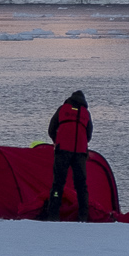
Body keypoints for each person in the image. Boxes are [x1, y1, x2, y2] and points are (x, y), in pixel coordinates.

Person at [44, 90, 94, 221]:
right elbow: (89, 134)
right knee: (81, 186)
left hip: (63, 150)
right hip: (80, 153)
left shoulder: (62, 109)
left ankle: (53, 215)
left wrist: (57, 141)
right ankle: (83, 216)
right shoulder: (86, 113)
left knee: (58, 184)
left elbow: (51, 129)